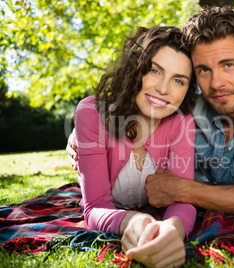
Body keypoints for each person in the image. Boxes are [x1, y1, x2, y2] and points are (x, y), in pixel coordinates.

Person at [68, 6, 234, 215]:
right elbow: (134, 102)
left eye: (228, 65)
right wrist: (82, 132)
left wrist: (186, 191)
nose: (216, 83)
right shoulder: (184, 101)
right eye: (204, 69)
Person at [73, 26, 197, 268]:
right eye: (154, 70)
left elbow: (182, 197)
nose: (163, 89)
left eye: (178, 80)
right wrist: (130, 222)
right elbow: (96, 206)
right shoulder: (91, 113)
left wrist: (173, 227)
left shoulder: (182, 122)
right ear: (135, 69)